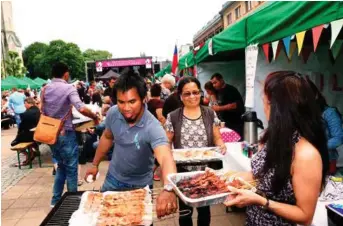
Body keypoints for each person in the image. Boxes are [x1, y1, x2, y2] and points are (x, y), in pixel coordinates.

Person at [223, 71, 329, 226]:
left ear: (279, 108)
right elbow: (258, 175)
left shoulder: (306, 154)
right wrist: (222, 180)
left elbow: (305, 216)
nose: (264, 106)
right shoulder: (273, 137)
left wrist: (261, 201)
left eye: (265, 101)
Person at [84, 69, 178, 218]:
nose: (126, 108)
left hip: (140, 187)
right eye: (121, 102)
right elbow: (107, 137)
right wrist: (95, 165)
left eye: (132, 101)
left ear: (143, 99)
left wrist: (168, 189)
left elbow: (166, 158)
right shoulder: (114, 113)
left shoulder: (153, 127)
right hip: (112, 180)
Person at [164, 76, 226, 226]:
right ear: (180, 96)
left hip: (205, 172)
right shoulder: (173, 117)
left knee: (205, 210)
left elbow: (217, 137)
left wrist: (221, 144)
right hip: (183, 172)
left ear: (200, 93)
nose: (192, 96)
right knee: (185, 211)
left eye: (195, 92)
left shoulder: (210, 113)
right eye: (187, 93)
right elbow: (166, 143)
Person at [42, 62, 99, 207]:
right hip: (65, 134)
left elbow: (42, 109)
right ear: (66, 73)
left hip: (50, 134)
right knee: (72, 169)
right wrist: (94, 117)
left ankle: (55, 202)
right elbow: (80, 107)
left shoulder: (45, 89)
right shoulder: (68, 88)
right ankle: (72, 203)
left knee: (61, 166)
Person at [307, 78, 343, 174]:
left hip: (327, 159)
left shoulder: (329, 113)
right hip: (306, 160)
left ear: (315, 95)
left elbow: (338, 138)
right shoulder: (305, 113)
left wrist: (316, 148)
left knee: (325, 187)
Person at [11, 97, 41, 165]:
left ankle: (29, 155)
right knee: (26, 138)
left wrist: (18, 135)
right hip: (37, 133)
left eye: (25, 103)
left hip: (31, 135)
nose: (24, 105)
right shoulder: (37, 110)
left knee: (14, 143)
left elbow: (22, 127)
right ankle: (33, 151)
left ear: (28, 103)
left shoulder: (26, 114)